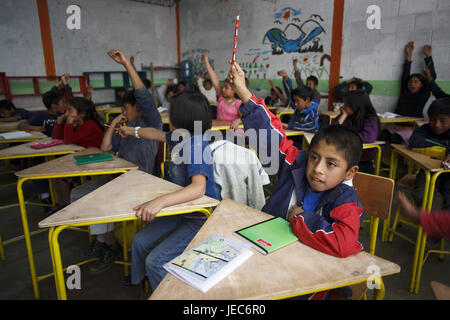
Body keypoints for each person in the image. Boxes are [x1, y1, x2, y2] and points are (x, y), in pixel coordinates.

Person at [227, 60, 364, 299]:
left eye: (331, 164)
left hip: (306, 273)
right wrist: (243, 91)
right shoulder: (296, 163)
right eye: (314, 157)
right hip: (266, 253)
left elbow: (343, 241)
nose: (317, 169)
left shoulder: (346, 198)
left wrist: (301, 218)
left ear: (350, 172)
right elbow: (269, 136)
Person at [116, 92, 220, 291]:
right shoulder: (182, 137)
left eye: (171, 114)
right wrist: (131, 131)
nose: (168, 118)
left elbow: (198, 188)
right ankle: (143, 282)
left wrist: (160, 201)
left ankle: (167, 291)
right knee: (138, 241)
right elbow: (155, 134)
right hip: (180, 210)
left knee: (156, 261)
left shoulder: (197, 145)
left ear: (180, 118)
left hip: (199, 218)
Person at [74, 49, 163, 274]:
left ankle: (107, 244)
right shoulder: (124, 127)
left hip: (139, 181)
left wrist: (126, 64)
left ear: (138, 108)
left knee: (95, 197)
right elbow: (105, 148)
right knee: (82, 193)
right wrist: (114, 123)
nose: (123, 111)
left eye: (126, 108)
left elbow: (142, 94)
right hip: (118, 178)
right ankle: (105, 242)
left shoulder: (150, 122)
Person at [50, 97, 105, 212]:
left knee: (61, 179)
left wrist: (68, 123)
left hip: (94, 163)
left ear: (82, 114)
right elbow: (56, 138)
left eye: (69, 110)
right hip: (82, 160)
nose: (66, 113)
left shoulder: (90, 125)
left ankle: (67, 209)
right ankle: (63, 206)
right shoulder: (77, 124)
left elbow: (69, 142)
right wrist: (60, 122)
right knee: (55, 177)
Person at [382, 42, 436, 144]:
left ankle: (399, 159)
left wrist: (428, 57)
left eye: (416, 82)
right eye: (410, 81)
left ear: (421, 85)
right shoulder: (404, 91)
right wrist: (408, 55)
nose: (412, 84)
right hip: (395, 125)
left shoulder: (423, 94)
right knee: (383, 136)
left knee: (394, 140)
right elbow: (405, 73)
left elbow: (431, 78)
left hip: (409, 128)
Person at [409, 97, 450, 211]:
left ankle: (442, 226)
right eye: (432, 120)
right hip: (429, 171)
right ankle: (427, 220)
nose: (437, 124)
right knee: (420, 195)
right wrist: (445, 146)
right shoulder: (425, 129)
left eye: (443, 121)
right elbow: (414, 142)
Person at [332, 90, 380, 174]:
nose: (343, 106)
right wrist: (343, 116)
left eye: (346, 104)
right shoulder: (347, 115)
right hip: (344, 156)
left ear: (355, 106)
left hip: (361, 160)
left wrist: (344, 137)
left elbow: (368, 136)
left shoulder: (370, 119)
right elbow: (332, 130)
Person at [203, 50, 242, 121]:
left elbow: (245, 118)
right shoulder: (221, 98)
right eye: (223, 86)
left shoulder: (238, 104)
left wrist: (239, 120)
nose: (223, 89)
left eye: (226, 88)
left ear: (235, 90)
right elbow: (214, 79)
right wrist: (206, 62)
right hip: (219, 131)